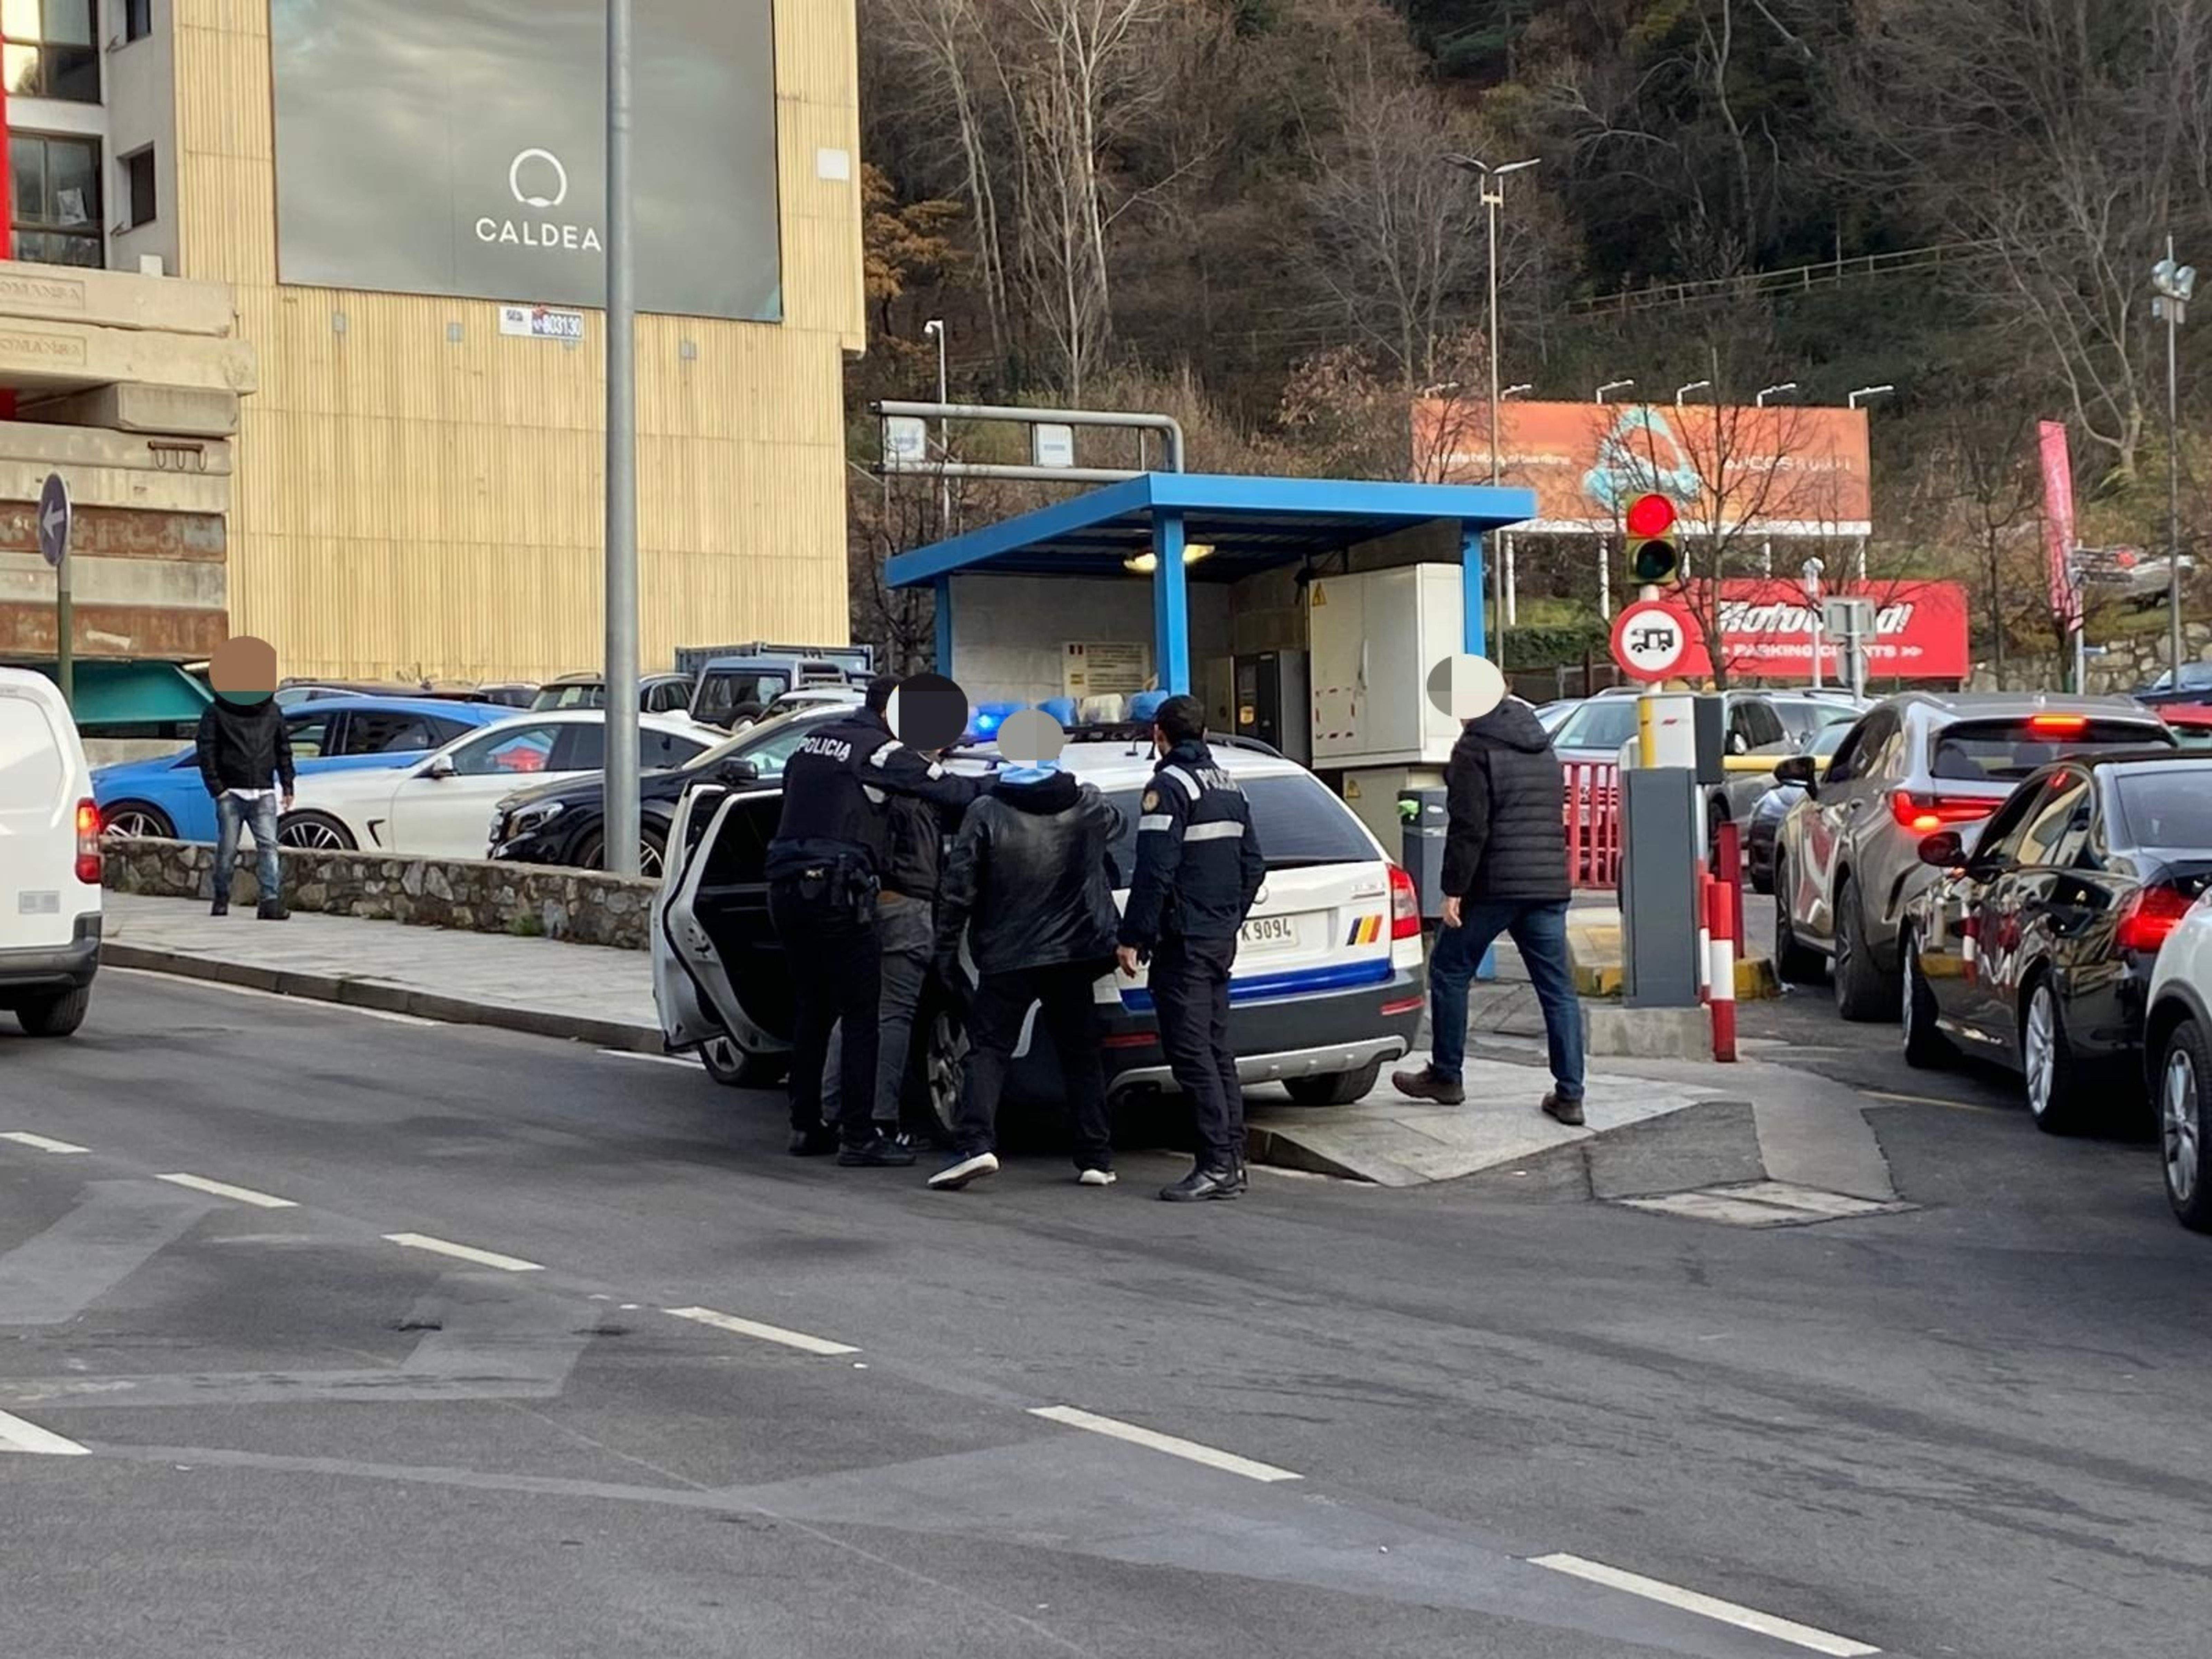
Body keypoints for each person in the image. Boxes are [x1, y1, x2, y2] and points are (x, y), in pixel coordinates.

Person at [766, 675, 985, 1167]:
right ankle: (861, 1136)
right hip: (838, 892)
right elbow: (952, 790)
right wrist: (1017, 786)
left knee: (814, 1011)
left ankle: (807, 1126)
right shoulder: (881, 751)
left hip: (786, 888)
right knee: (864, 1013)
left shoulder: (811, 744)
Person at [928, 720, 1125, 1192]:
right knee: (1081, 1054)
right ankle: (1095, 1158)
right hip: (1075, 952)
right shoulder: (1089, 803)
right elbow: (1117, 827)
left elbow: (959, 890)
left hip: (1007, 953)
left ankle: (977, 1145)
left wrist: (944, 950)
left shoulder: (986, 812)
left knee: (989, 1049)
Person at [1393, 695, 1586, 1124]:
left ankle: (1446, 1076)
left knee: (1449, 969)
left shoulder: (1473, 749)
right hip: (1547, 883)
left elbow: (1469, 826)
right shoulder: (1543, 747)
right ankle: (1570, 1095)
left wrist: (1453, 890)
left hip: (1494, 884)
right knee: (1556, 990)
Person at [1115, 695, 1265, 1202]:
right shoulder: (1229, 785)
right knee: (1217, 1050)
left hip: (1185, 940)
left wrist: (1135, 937)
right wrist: (1227, 919)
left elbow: (1154, 871)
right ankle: (1233, 1160)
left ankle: (1216, 1164)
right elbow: (1254, 866)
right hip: (1218, 938)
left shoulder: (1168, 786)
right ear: (1203, 733)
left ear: (1159, 733)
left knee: (1192, 1053)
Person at [822, 786, 954, 1149]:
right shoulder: (920, 792)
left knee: (855, 1011)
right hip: (906, 906)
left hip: (864, 903)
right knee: (895, 1013)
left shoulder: (867, 786)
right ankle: (882, 1121)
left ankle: (831, 1111)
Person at [195, 670, 295, 922]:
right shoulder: (217, 712)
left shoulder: (272, 711)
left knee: (268, 847)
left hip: (262, 790)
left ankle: (270, 901)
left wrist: (287, 784)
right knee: (229, 848)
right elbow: (206, 750)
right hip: (233, 791)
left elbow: (283, 748)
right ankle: (221, 897)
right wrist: (218, 789)